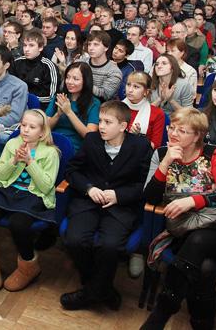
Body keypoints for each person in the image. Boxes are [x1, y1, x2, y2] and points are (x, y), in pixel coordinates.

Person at [141, 108, 216, 330]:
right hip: (184, 230)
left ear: (198, 135)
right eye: (172, 128)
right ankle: (202, 324)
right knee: (205, 268)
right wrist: (165, 163)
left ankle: (158, 318)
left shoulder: (212, 154)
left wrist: (192, 201)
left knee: (199, 244)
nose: (173, 134)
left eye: (182, 130)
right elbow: (150, 197)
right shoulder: (162, 154)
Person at [60, 101, 153, 310]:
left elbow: (144, 185)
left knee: (110, 246)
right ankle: (103, 291)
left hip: (120, 207)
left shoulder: (140, 146)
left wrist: (118, 195)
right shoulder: (92, 140)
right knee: (74, 240)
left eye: (107, 122)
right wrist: (89, 188)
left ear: (122, 126)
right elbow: (72, 171)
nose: (101, 126)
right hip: (88, 202)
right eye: (100, 120)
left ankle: (90, 293)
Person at [0, 109, 60, 292]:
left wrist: (30, 162)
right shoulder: (13, 144)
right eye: (23, 125)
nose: (26, 130)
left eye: (32, 127)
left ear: (42, 132)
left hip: (33, 195)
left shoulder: (51, 153)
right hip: (7, 190)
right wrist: (14, 160)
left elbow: (46, 186)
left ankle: (28, 267)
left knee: (19, 224)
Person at [47, 62, 100, 150]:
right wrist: (58, 115)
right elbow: (45, 128)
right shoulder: (59, 97)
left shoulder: (94, 103)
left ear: (86, 81)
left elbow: (90, 136)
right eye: (67, 77)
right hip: (51, 141)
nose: (69, 82)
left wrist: (69, 112)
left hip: (73, 146)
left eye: (76, 79)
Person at [10, 28, 59, 109]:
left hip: (39, 108)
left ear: (40, 48)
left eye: (31, 45)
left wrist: (26, 97)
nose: (26, 49)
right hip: (16, 104)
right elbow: (10, 86)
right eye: (25, 45)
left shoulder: (49, 66)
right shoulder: (17, 62)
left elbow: (50, 96)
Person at [123, 71, 166, 150]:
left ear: (146, 92)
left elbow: (155, 146)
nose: (130, 90)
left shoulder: (157, 113)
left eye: (136, 87)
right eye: (128, 85)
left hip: (140, 156)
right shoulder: (116, 107)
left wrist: (138, 137)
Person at [80, 31, 123, 102]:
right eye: (89, 44)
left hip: (102, 109)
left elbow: (105, 95)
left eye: (96, 45)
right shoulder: (80, 62)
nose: (91, 48)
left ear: (106, 48)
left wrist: (81, 83)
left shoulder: (114, 72)